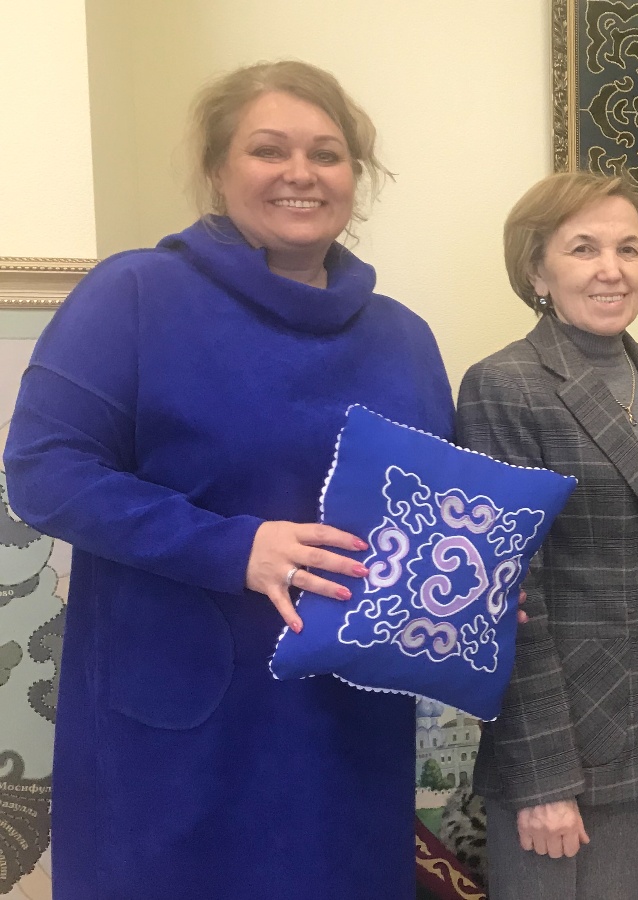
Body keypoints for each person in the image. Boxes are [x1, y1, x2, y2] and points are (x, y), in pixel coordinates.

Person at [3, 61, 453, 898]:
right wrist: (234, 548)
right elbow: (43, 470)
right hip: (177, 724)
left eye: (326, 153)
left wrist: (466, 590)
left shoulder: (405, 338)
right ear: (217, 169)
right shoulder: (133, 294)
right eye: (268, 149)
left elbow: (422, 513)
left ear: (355, 177)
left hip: (346, 728)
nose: (300, 173)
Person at [458, 172, 638, 899]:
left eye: (629, 249)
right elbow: (507, 594)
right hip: (570, 742)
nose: (613, 269)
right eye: (584, 248)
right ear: (537, 270)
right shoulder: (504, 385)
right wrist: (542, 778)